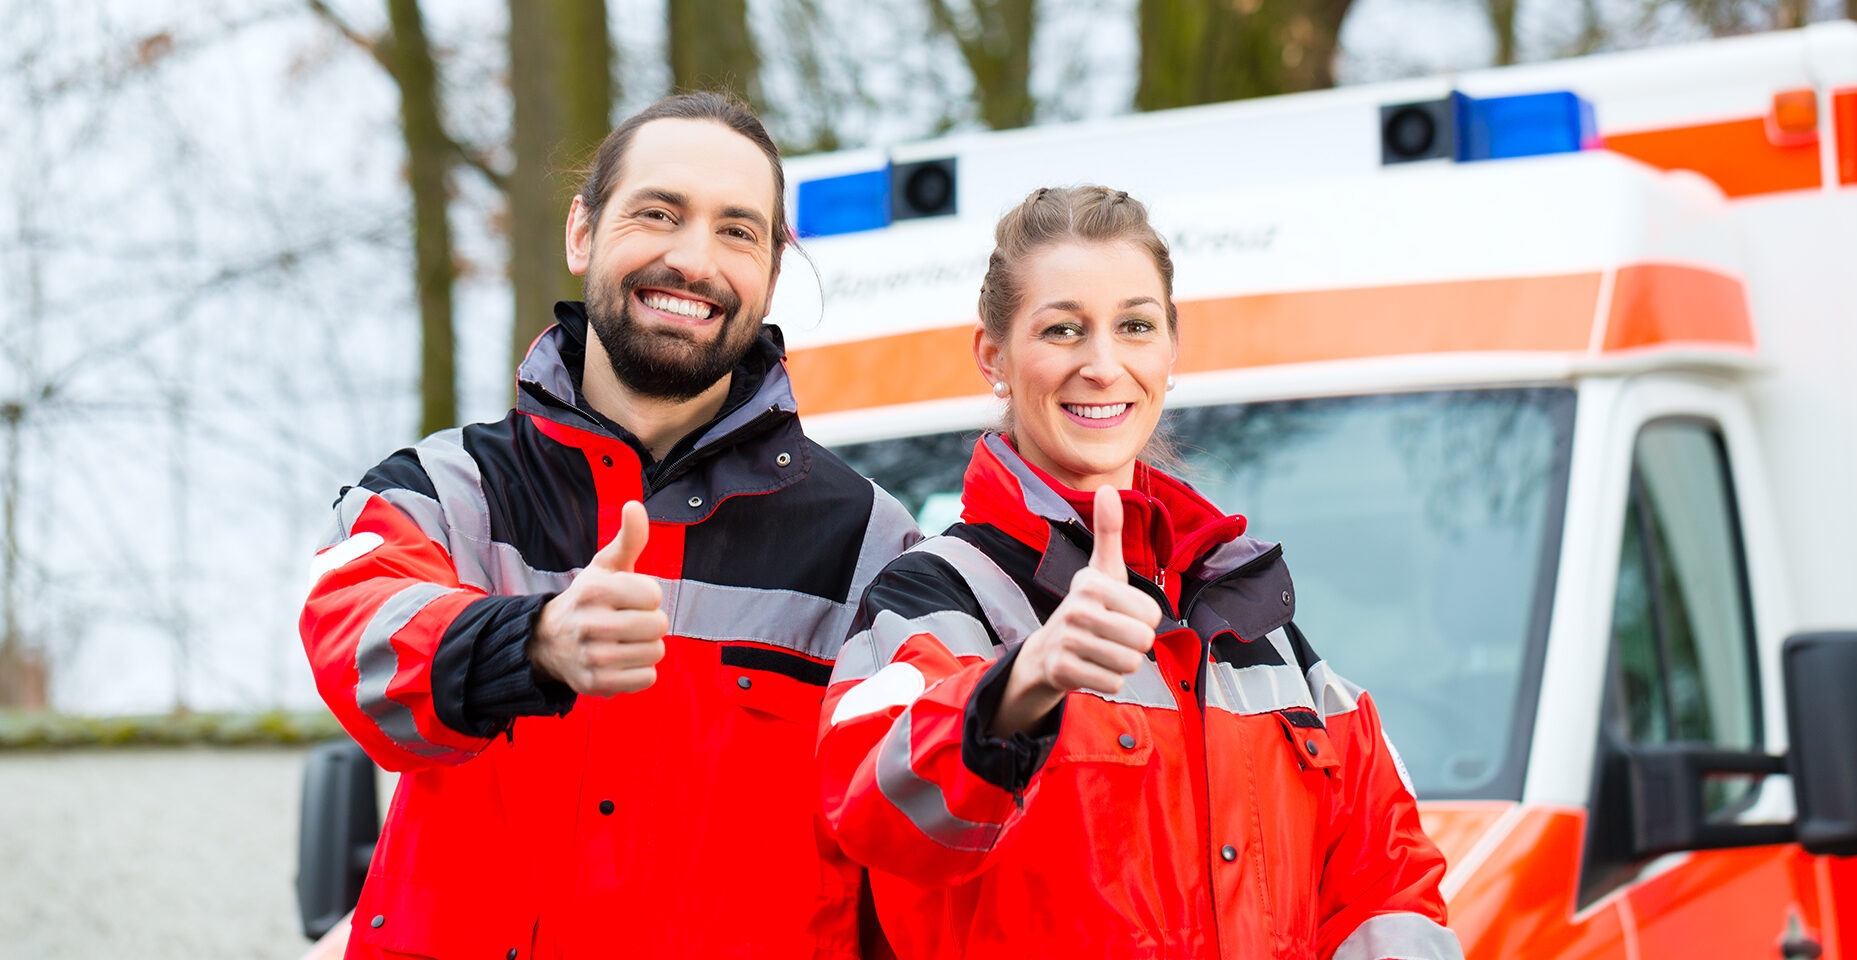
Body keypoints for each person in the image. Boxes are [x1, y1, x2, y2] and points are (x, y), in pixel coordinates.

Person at [301, 92, 920, 959]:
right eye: (658, 213)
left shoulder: (873, 547)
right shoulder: (443, 493)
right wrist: (533, 643)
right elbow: (356, 647)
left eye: (738, 231)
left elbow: (915, 843)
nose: (694, 259)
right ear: (582, 233)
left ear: (771, 275)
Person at [817, 185, 1459, 959]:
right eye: (1062, 329)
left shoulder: (1250, 613)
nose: (1102, 364)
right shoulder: (933, 596)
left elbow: (1385, 876)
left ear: (1171, 348)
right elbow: (875, 815)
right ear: (992, 355)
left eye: (1134, 326)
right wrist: (1020, 689)